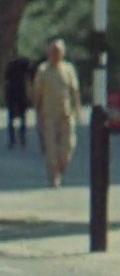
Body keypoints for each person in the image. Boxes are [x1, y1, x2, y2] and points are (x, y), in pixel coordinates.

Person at [31, 38, 82, 188]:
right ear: (48, 53)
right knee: (51, 150)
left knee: (68, 146)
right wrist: (37, 112)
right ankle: (54, 177)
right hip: (49, 115)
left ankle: (62, 167)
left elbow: (75, 91)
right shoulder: (43, 70)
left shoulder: (69, 69)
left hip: (66, 114)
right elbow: (37, 93)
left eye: (59, 51)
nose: (56, 54)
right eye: (53, 51)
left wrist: (78, 109)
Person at [4, 55, 31, 149]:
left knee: (11, 118)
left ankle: (12, 140)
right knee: (23, 118)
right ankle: (22, 138)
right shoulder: (25, 64)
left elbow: (6, 80)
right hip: (21, 92)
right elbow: (28, 79)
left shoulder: (10, 65)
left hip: (12, 93)